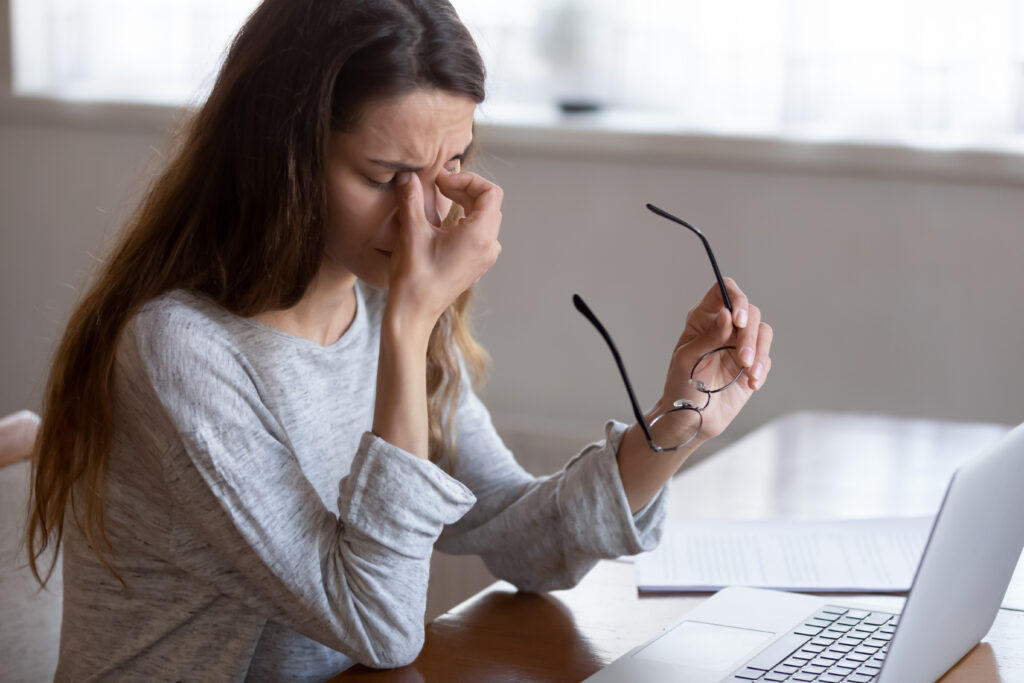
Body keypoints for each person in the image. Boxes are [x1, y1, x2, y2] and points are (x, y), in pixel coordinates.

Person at [26, 0, 773, 680]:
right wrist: (413, 325)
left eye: (450, 166)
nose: (422, 217)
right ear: (282, 159)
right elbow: (380, 625)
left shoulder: (381, 307)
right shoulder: (180, 353)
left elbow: (518, 535)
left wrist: (681, 416)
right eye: (385, 176)